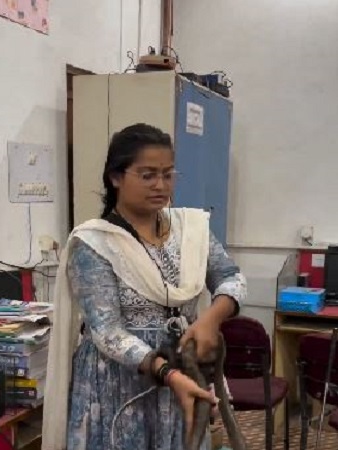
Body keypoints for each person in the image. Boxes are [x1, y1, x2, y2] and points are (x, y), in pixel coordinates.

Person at [42, 123, 247, 450]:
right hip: (118, 383)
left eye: (168, 174)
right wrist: (166, 373)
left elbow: (231, 277)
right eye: (147, 174)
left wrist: (211, 318)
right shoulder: (95, 242)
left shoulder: (189, 230)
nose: (161, 185)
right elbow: (107, 331)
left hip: (183, 371)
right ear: (116, 177)